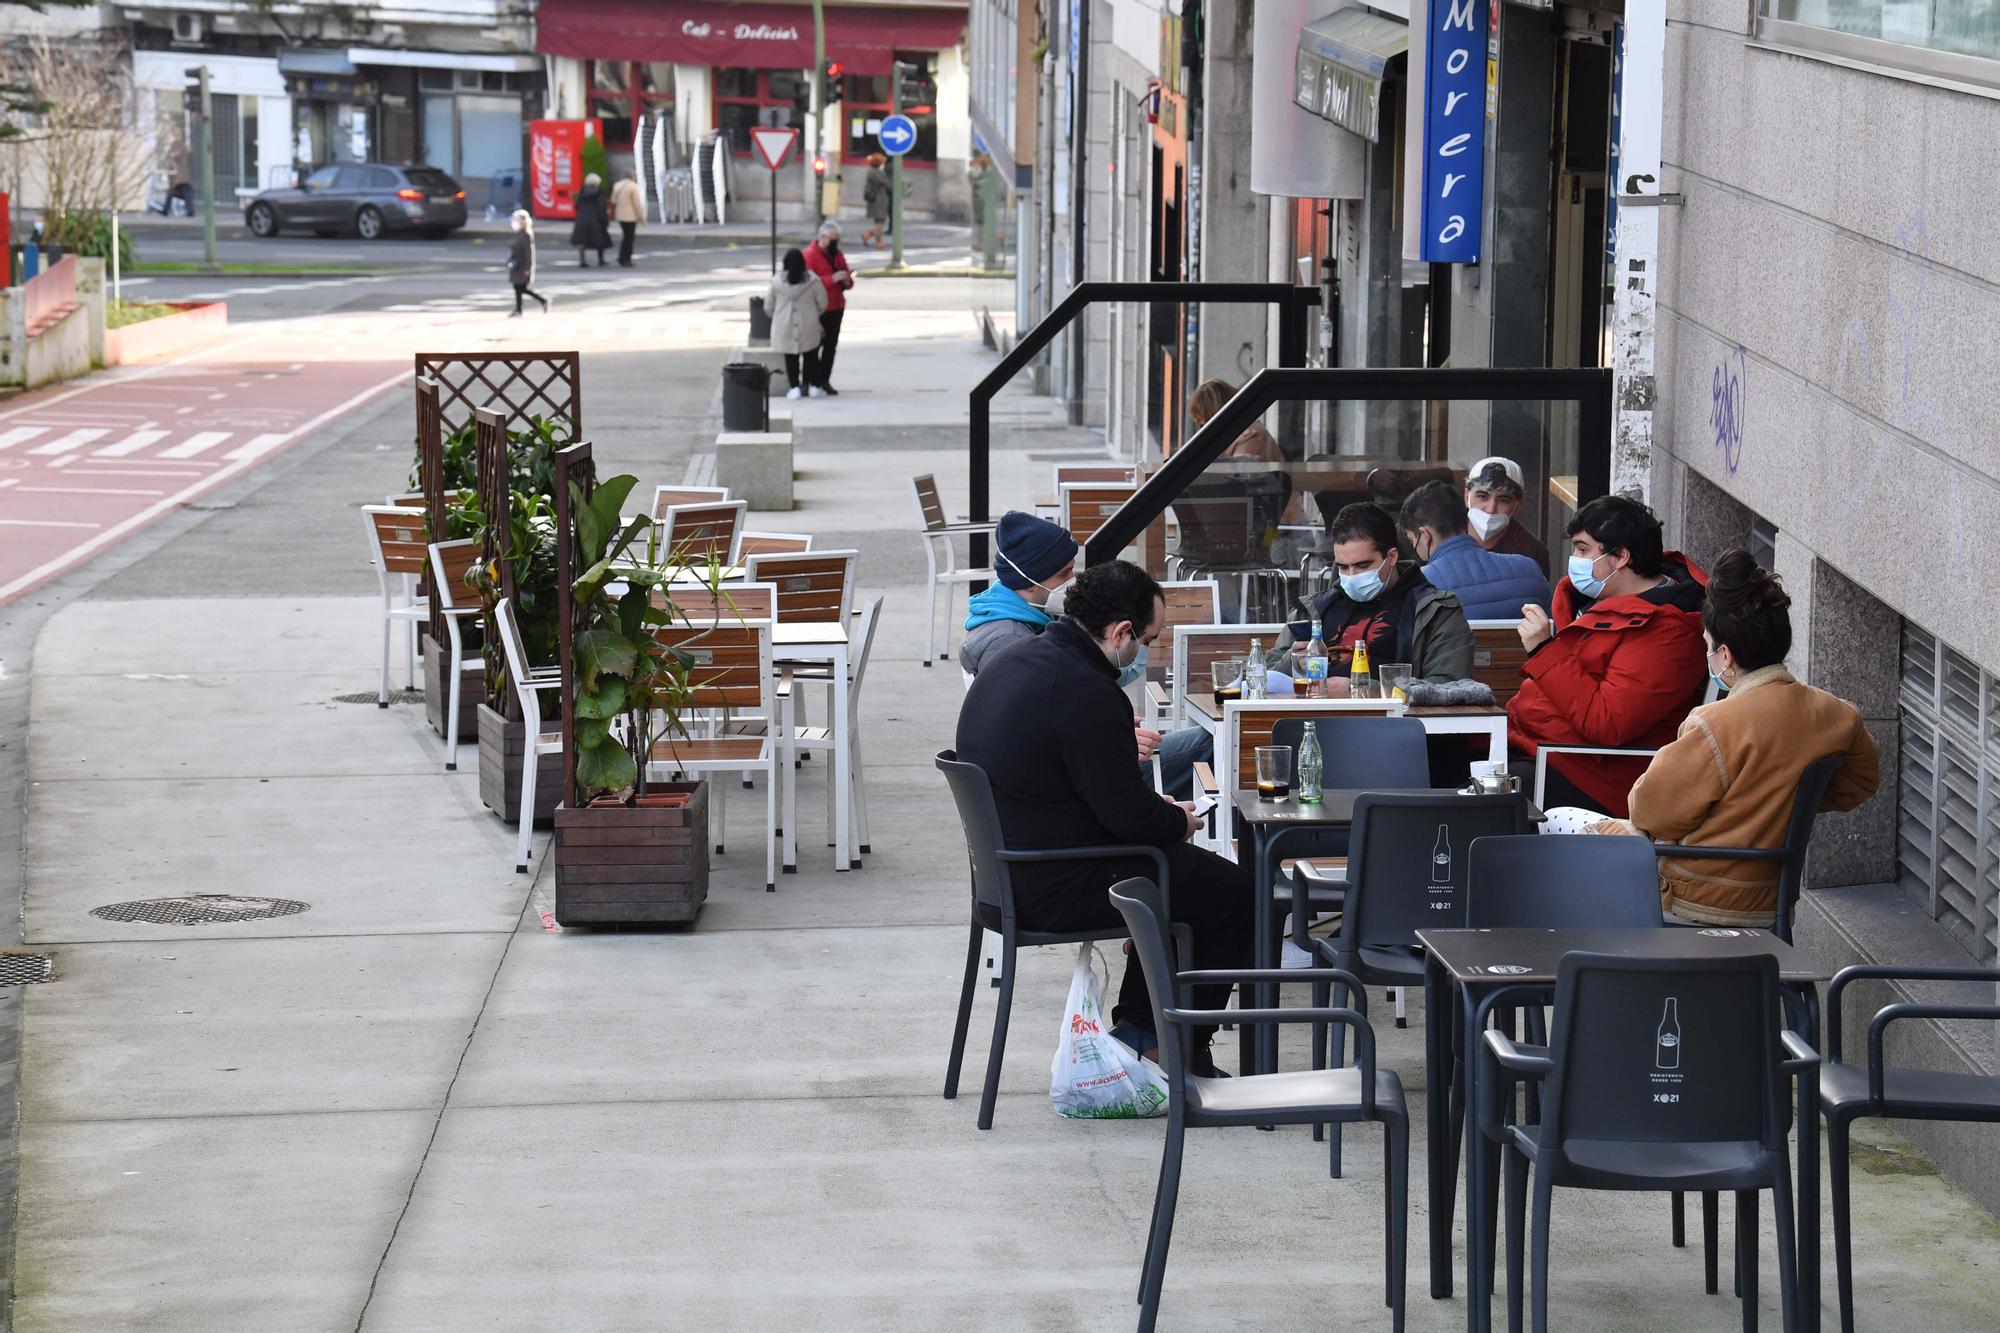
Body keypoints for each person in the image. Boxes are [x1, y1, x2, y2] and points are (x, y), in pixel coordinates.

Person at [956, 559, 1250, 1074]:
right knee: (1231, 893)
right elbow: (1129, 818)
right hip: (1055, 880)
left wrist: (1151, 817)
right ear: (1121, 632)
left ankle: (1142, 1031)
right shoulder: (1086, 691)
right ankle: (1171, 1048)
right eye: (1149, 638)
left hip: (1010, 872)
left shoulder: (1020, 658)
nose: (1146, 651)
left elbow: (1090, 792)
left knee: (1177, 876)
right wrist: (1177, 820)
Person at [1541, 551, 1880, 924]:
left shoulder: (1715, 722)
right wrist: (1783, 799)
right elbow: (1860, 783)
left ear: (1725, 655)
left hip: (1696, 898)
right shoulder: (1837, 714)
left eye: (1706, 644)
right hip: (1771, 900)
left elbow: (1651, 813)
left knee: (1555, 820)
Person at [960, 512, 1211, 799]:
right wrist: (1113, 739)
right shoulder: (1010, 641)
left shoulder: (1028, 622)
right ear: (1029, 581)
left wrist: (1106, 729)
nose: (1073, 581)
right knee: (1208, 747)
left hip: (1069, 775)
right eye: (1064, 573)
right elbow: (1029, 736)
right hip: (1061, 790)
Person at [1506, 494, 1708, 816]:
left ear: (1621, 557)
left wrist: (1545, 650)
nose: (1575, 560)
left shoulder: (1669, 631)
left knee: (1471, 801)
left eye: (1583, 550)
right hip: (1538, 746)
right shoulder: (1596, 600)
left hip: (1591, 777)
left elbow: (1607, 722)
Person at [1264, 501, 1474, 685]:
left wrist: (1362, 691)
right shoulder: (1313, 610)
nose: (1352, 575)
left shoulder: (1435, 611)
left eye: (1362, 565)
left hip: (1392, 726)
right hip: (1314, 722)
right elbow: (1260, 677)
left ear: (1391, 557)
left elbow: (1449, 687)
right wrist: (1290, 663)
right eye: (1343, 567)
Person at [1399, 479, 1551, 619]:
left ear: (1425, 536)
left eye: (1412, 540)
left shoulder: (1417, 586)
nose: (1414, 547)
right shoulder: (1530, 570)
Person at [1464, 456, 1549, 568]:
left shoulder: (1533, 554)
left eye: (1503, 500)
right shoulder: (1444, 536)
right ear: (1467, 497)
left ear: (1518, 505)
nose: (1491, 509)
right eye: (1483, 496)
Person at [765, 247, 827, 399]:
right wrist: (814, 314)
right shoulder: (813, 281)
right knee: (810, 355)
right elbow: (823, 303)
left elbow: (768, 306)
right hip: (809, 323)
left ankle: (794, 387)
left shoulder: (776, 283)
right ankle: (811, 385)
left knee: (790, 357)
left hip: (784, 324)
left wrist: (778, 317)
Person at [802, 221, 853, 396]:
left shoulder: (837, 255)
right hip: (818, 308)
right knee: (813, 346)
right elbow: (808, 282)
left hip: (836, 305)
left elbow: (848, 280)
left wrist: (846, 279)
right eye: (832, 240)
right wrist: (831, 279)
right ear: (822, 237)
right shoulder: (810, 255)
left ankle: (824, 380)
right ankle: (810, 380)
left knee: (830, 347)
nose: (834, 243)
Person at [1188, 378, 1281, 461]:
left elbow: (1240, 477)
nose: (1202, 429)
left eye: (1204, 423)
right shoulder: (1241, 435)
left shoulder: (1250, 436)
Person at [504, 210, 549, 318]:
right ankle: (522, 309)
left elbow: (529, 254)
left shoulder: (526, 235)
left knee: (520, 288)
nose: (513, 223)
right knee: (519, 288)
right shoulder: (519, 234)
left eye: (516, 221)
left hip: (522, 267)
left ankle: (540, 301)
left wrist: (528, 269)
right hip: (517, 266)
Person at [569, 172, 610, 267]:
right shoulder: (599, 193)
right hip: (595, 219)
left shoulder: (581, 192)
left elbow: (577, 205)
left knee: (582, 241)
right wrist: (605, 220)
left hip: (582, 218)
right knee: (600, 240)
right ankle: (601, 260)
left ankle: (582, 260)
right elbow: (601, 208)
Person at [610, 172, 643, 267]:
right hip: (631, 216)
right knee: (629, 238)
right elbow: (637, 204)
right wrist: (641, 217)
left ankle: (621, 256)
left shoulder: (617, 185)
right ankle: (626, 258)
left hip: (620, 215)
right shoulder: (633, 186)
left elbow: (613, 200)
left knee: (625, 236)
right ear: (632, 177)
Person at [861, 153, 892, 249]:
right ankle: (869, 235)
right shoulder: (878, 173)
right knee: (880, 222)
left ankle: (879, 242)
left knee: (878, 221)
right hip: (880, 200)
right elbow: (888, 184)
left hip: (874, 200)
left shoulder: (871, 171)